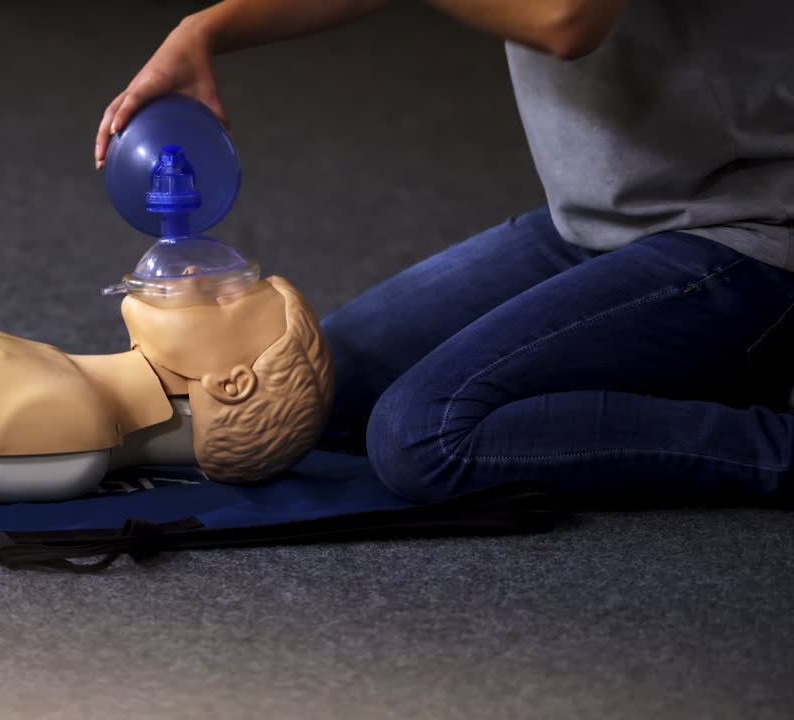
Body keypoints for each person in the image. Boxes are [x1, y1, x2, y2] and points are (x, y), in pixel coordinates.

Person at [95, 0, 794, 508]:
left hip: (749, 236)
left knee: (425, 439)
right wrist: (207, 29)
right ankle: (681, 361)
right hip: (594, 227)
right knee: (315, 395)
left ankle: (770, 439)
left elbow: (567, 19)